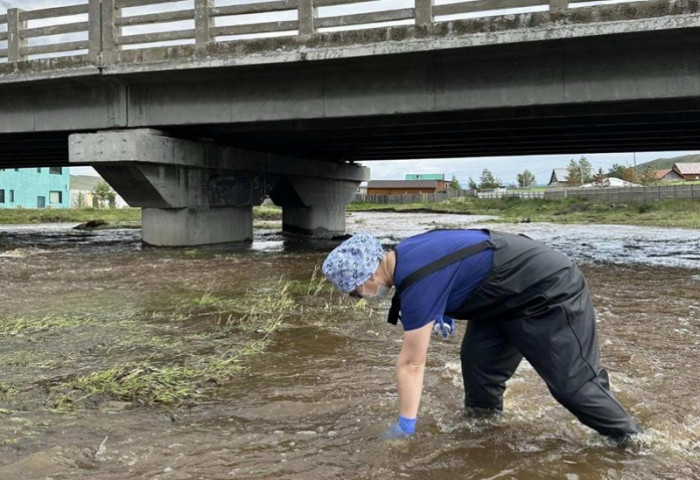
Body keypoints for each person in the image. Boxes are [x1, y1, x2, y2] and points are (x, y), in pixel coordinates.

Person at [322, 229, 642, 443]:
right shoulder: (405, 254)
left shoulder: (417, 285)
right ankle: (485, 430)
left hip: (548, 290)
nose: (358, 297)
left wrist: (406, 424)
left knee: (572, 387)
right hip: (502, 301)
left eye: (353, 292)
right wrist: (445, 305)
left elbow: (411, 365)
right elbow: (458, 260)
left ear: (363, 277)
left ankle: (634, 440)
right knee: (477, 364)